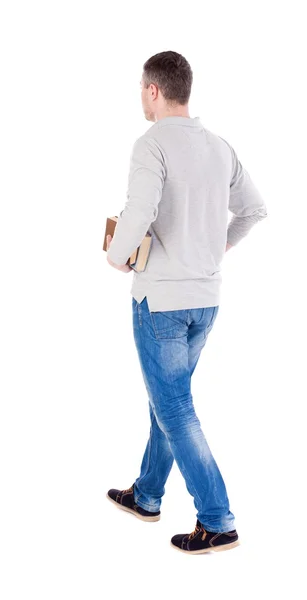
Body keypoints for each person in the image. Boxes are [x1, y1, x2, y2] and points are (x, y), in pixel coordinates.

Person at [105, 50, 267, 555]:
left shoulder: (150, 143)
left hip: (161, 302)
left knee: (175, 407)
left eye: (141, 89)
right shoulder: (220, 147)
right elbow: (254, 209)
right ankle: (147, 495)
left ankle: (217, 519)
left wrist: (115, 255)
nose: (140, 96)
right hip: (207, 300)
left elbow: (140, 209)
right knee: (168, 402)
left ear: (154, 90)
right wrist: (219, 246)